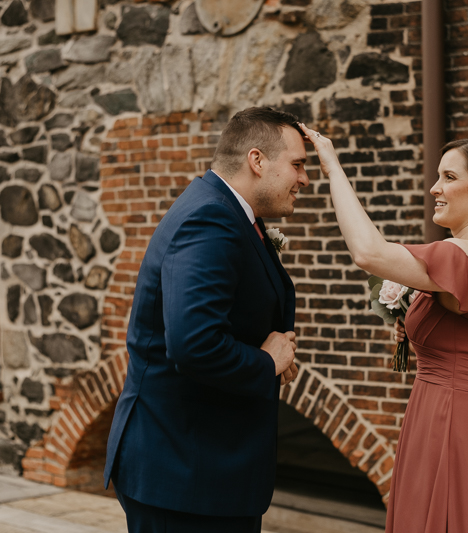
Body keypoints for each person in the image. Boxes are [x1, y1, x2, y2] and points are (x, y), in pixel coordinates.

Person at [301, 125, 468, 533]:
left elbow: (368, 252)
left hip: (448, 429)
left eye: (449, 177)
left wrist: (332, 166)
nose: (434, 189)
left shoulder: (465, 255)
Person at [103, 107, 307, 533]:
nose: (305, 179)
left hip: (203, 467)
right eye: (298, 164)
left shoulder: (229, 213)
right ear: (257, 160)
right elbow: (195, 342)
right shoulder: (210, 218)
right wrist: (265, 363)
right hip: (183, 472)